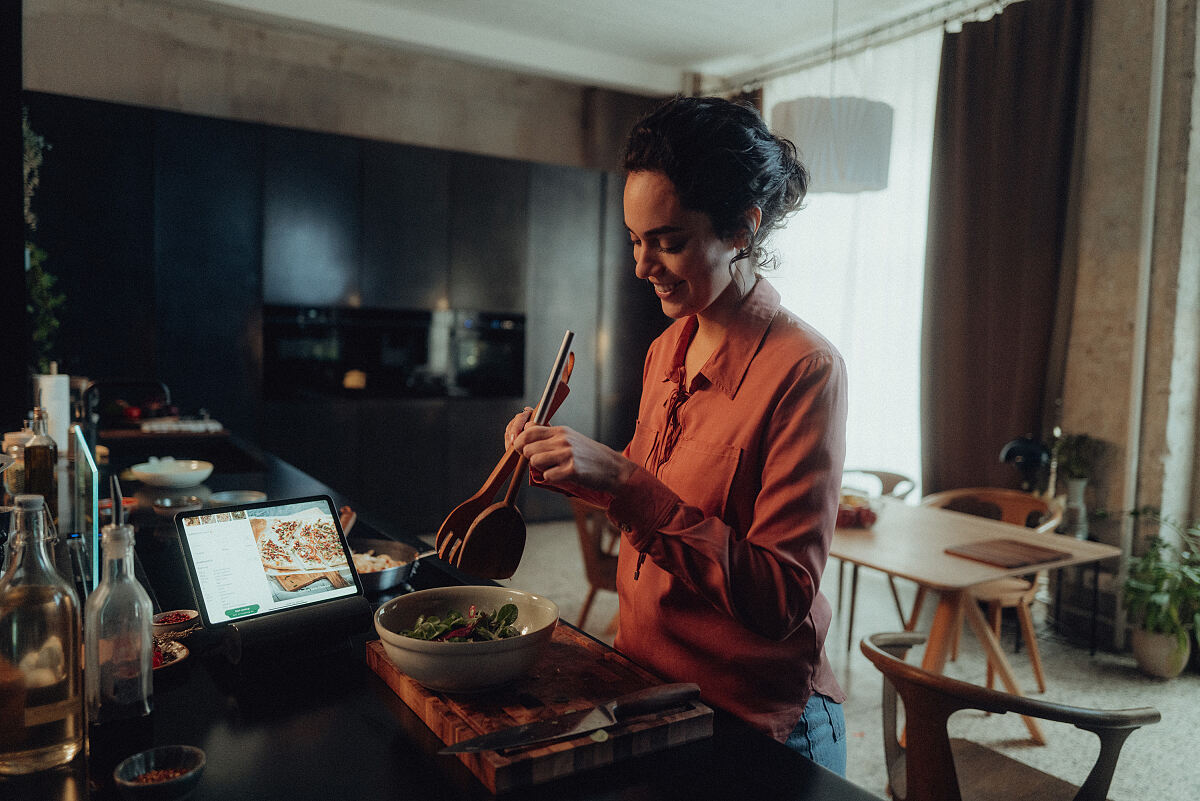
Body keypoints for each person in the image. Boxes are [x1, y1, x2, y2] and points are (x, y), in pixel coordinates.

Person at [505, 95, 848, 774]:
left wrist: (627, 482)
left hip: (754, 720)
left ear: (741, 229)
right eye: (635, 239)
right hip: (646, 685)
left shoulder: (806, 369)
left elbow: (781, 598)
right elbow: (651, 512)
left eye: (667, 240)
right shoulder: (667, 348)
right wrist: (575, 468)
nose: (642, 265)